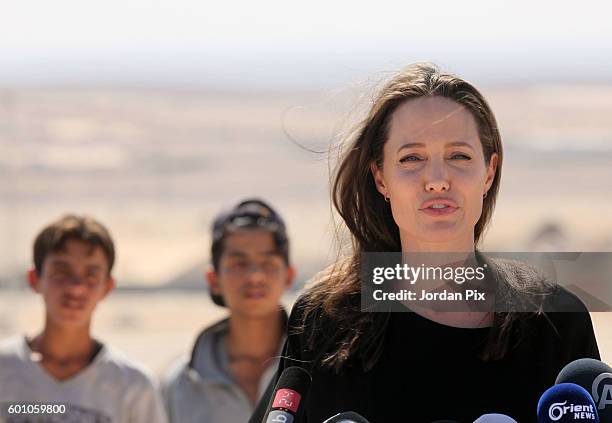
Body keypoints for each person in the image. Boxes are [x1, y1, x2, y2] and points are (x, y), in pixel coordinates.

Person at [249, 64, 600, 422]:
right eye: (412, 158)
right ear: (380, 177)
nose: (436, 180)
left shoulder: (555, 321)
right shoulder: (323, 321)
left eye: (459, 156)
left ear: (489, 172)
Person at [0, 214, 167, 423]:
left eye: (91, 275)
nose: (76, 287)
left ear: (107, 287)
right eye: (62, 271)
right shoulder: (5, 369)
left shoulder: (131, 386)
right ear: (35, 279)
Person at [162, 199, 295, 423]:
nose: (255, 276)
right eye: (239, 264)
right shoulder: (179, 386)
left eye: (268, 263)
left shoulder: (318, 371)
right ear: (213, 279)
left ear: (288, 276)